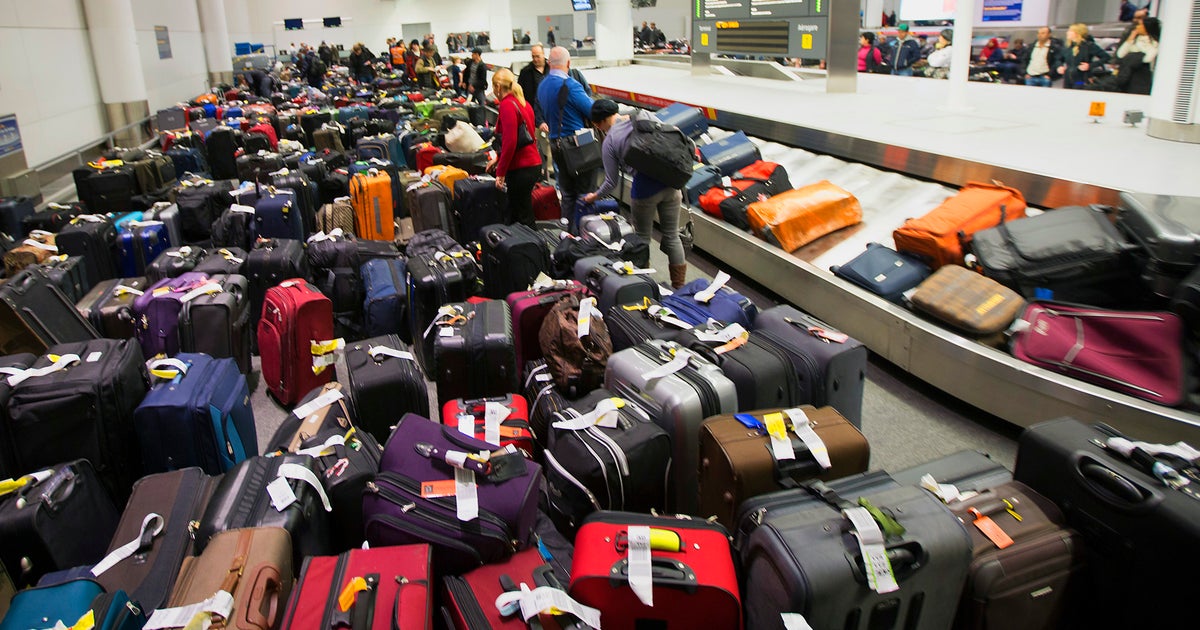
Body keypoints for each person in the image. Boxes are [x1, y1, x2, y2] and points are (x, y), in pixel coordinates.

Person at [583, 99, 688, 289]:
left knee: (642, 239)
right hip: (671, 184)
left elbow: (611, 182)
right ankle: (680, 287)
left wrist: (595, 196)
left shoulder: (610, 141)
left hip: (645, 191)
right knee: (672, 236)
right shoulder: (643, 116)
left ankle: (644, 284)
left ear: (597, 123)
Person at [537, 46, 596, 230]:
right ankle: (584, 236)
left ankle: (568, 234)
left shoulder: (543, 85)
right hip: (578, 145)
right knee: (585, 193)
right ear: (568, 63)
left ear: (549, 64)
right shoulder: (570, 85)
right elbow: (592, 111)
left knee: (568, 193)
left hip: (556, 144)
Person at [489, 68, 542, 227]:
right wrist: (498, 160)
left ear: (498, 87)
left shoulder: (507, 105)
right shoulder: (522, 102)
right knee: (521, 211)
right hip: (532, 164)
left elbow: (510, 142)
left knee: (521, 216)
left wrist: (501, 172)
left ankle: (531, 248)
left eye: (493, 87)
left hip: (521, 167)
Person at [518, 45, 552, 176]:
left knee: (551, 144)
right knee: (536, 144)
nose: (535, 59)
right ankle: (540, 170)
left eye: (538, 56)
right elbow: (520, 94)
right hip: (532, 115)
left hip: (551, 114)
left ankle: (551, 170)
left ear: (544, 54)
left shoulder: (552, 70)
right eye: (533, 56)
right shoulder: (525, 72)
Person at [1058, 23, 1109, 89]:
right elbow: (1059, 58)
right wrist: (1059, 66)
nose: (1067, 32)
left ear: (1077, 33)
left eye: (1070, 31)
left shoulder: (1089, 46)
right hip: (1068, 79)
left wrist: (1090, 65)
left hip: (1081, 80)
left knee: (1078, 89)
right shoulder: (1068, 47)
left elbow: (1106, 57)